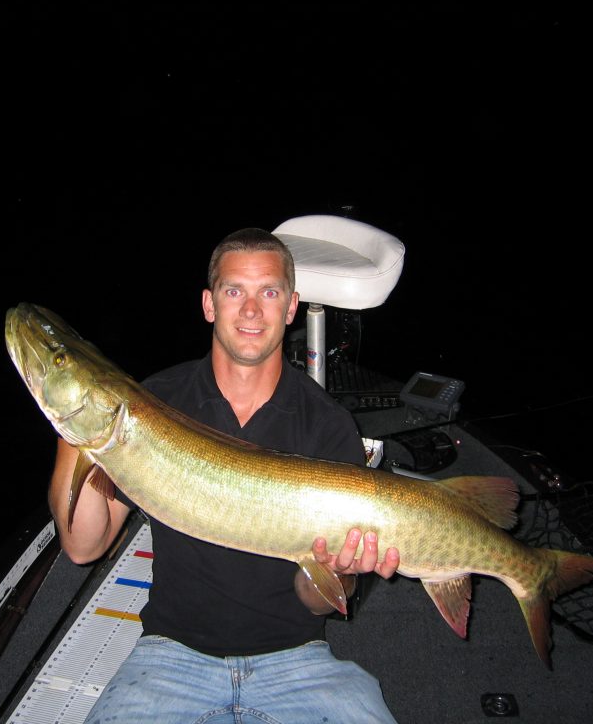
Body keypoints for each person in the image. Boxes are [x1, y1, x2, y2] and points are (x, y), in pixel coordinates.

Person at [48, 227, 401, 723]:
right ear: (209, 304)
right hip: (169, 658)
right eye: (235, 291)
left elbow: (320, 604)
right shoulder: (157, 402)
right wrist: (72, 424)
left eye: (269, 292)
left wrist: (336, 570)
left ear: (291, 307)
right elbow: (84, 546)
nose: (251, 310)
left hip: (296, 660)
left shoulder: (327, 423)